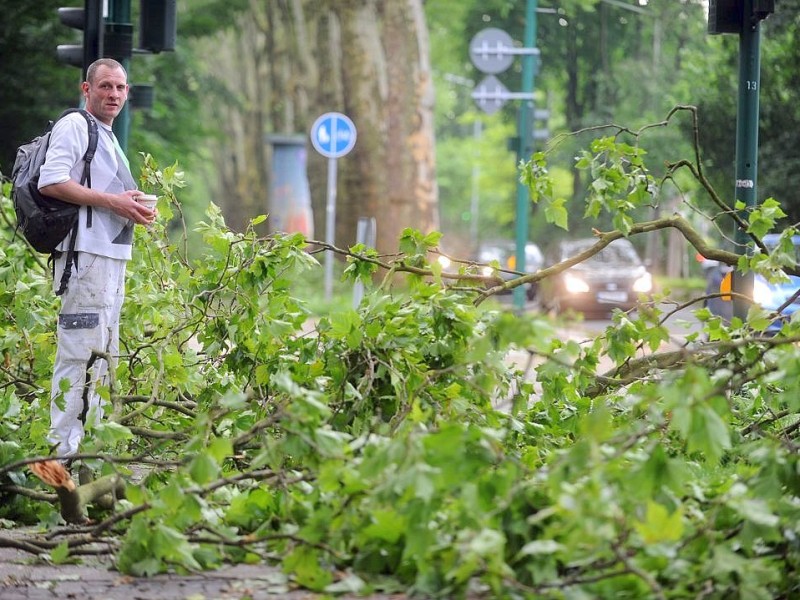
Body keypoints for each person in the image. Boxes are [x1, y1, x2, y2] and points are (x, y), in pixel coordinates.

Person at [38, 58, 156, 457]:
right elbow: (51, 180)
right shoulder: (75, 125)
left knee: (104, 359)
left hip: (109, 262)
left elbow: (107, 199)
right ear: (86, 89)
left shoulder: (107, 135)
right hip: (85, 260)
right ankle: (59, 459)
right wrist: (113, 202)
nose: (114, 95)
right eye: (105, 86)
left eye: (121, 88)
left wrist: (132, 206)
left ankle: (89, 456)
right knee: (78, 356)